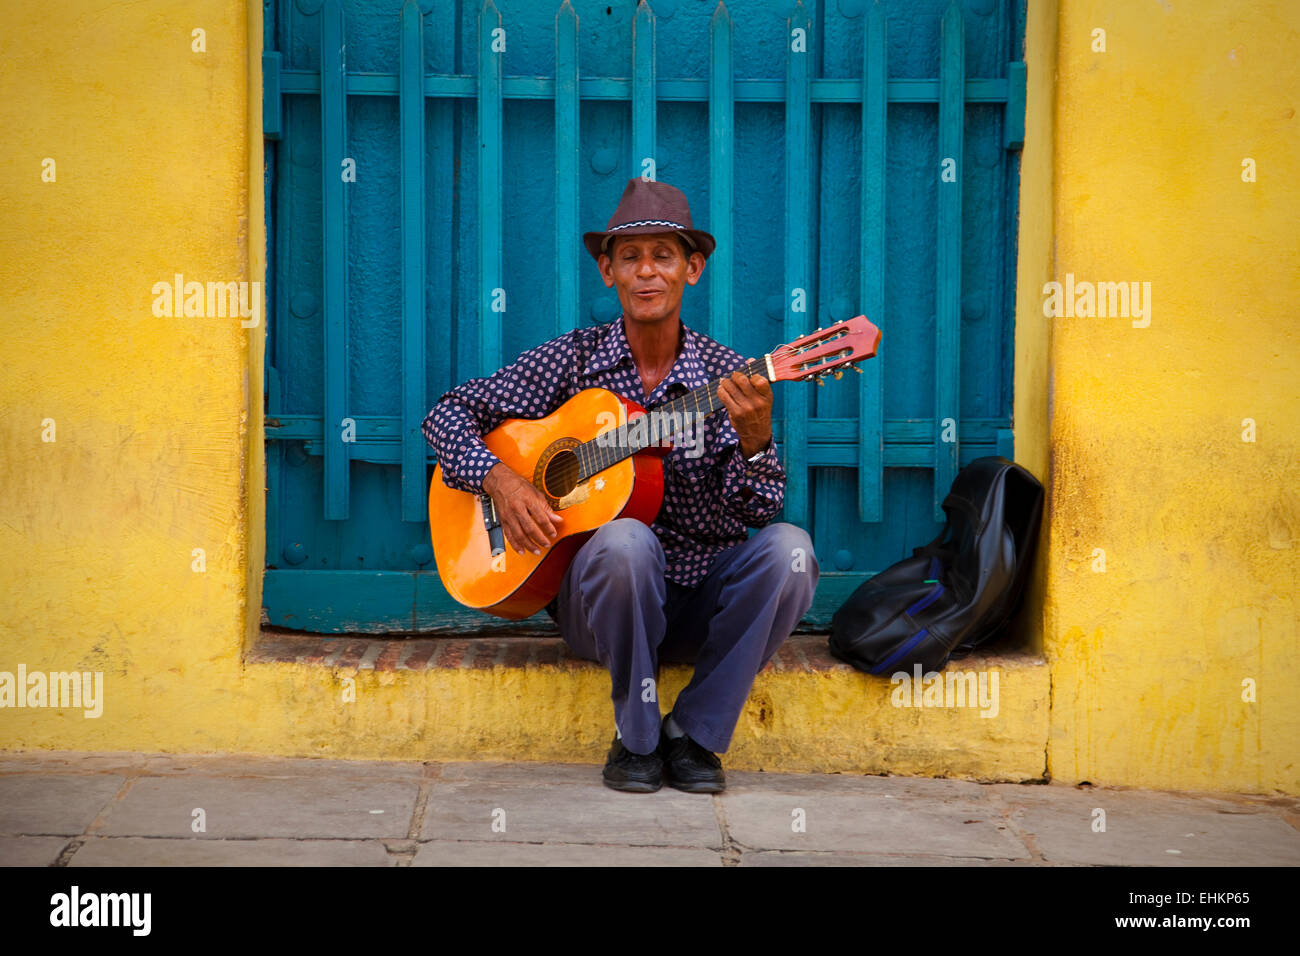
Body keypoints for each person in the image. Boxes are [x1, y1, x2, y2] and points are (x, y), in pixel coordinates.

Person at [423, 177, 819, 793]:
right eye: (630, 258)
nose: (647, 273)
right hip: (599, 607)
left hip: (699, 602)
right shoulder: (573, 362)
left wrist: (756, 439)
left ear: (693, 268)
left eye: (664, 256)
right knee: (626, 539)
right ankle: (635, 742)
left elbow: (761, 509)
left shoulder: (726, 377)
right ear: (607, 272)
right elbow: (447, 414)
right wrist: (501, 481)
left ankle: (695, 735)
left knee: (792, 550)